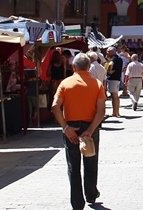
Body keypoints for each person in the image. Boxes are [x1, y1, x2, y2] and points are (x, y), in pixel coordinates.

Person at [52, 53, 106, 210]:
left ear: (73, 67)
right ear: (89, 67)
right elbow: (101, 111)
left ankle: (77, 203)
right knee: (91, 162)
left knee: (73, 166)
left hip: (71, 128)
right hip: (91, 127)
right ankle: (91, 194)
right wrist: (90, 130)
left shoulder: (65, 83)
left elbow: (55, 107)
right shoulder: (97, 84)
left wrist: (65, 128)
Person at [105, 47, 122, 117]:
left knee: (114, 96)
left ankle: (115, 113)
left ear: (112, 52)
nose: (107, 53)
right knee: (116, 96)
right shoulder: (119, 59)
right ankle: (116, 112)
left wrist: (107, 71)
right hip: (117, 78)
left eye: (108, 52)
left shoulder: (114, 60)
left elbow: (110, 69)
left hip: (113, 79)